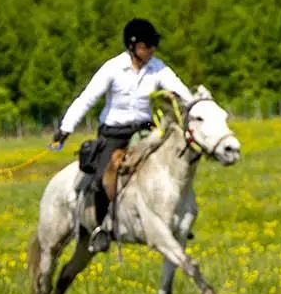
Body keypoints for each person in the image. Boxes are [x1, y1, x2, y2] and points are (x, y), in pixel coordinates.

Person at [50, 17, 193, 252]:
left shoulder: (158, 68)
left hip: (143, 131)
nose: (152, 50)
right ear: (132, 46)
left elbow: (182, 91)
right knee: (101, 179)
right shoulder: (112, 68)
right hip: (113, 133)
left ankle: (175, 219)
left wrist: (197, 108)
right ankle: (103, 227)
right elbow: (86, 99)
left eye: (153, 45)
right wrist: (65, 128)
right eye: (147, 45)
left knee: (171, 163)